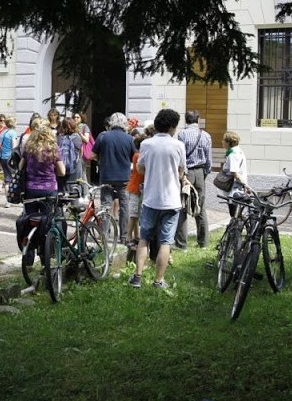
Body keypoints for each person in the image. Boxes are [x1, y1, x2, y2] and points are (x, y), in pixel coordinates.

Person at [128, 108, 185, 290]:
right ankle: (158, 281)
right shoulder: (178, 145)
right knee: (165, 242)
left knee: (144, 238)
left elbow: (140, 168)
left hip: (151, 199)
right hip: (171, 200)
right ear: (171, 127)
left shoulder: (146, 144)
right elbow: (181, 171)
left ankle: (137, 277)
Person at [91, 112, 134, 244]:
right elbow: (134, 156)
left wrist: (102, 159)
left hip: (106, 176)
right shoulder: (129, 138)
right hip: (124, 177)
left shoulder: (103, 136)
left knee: (105, 206)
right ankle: (123, 236)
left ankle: (104, 235)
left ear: (111, 123)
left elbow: (92, 155)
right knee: (124, 206)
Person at [175, 110, 212, 249]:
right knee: (201, 207)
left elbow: (180, 157)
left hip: (187, 172)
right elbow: (209, 159)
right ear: (198, 119)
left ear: (186, 120)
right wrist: (205, 173)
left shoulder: (182, 134)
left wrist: (182, 175)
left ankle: (182, 244)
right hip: (201, 172)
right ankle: (203, 242)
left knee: (183, 206)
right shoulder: (206, 135)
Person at [19, 119, 65, 216]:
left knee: (30, 218)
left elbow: (20, 167)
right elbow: (62, 172)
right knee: (47, 219)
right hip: (49, 188)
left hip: (30, 188)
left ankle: (31, 231)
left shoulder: (29, 147)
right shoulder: (53, 149)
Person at [57, 117, 83, 191]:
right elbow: (80, 154)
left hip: (61, 169)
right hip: (75, 169)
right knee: (74, 192)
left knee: (61, 193)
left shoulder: (59, 138)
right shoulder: (78, 138)